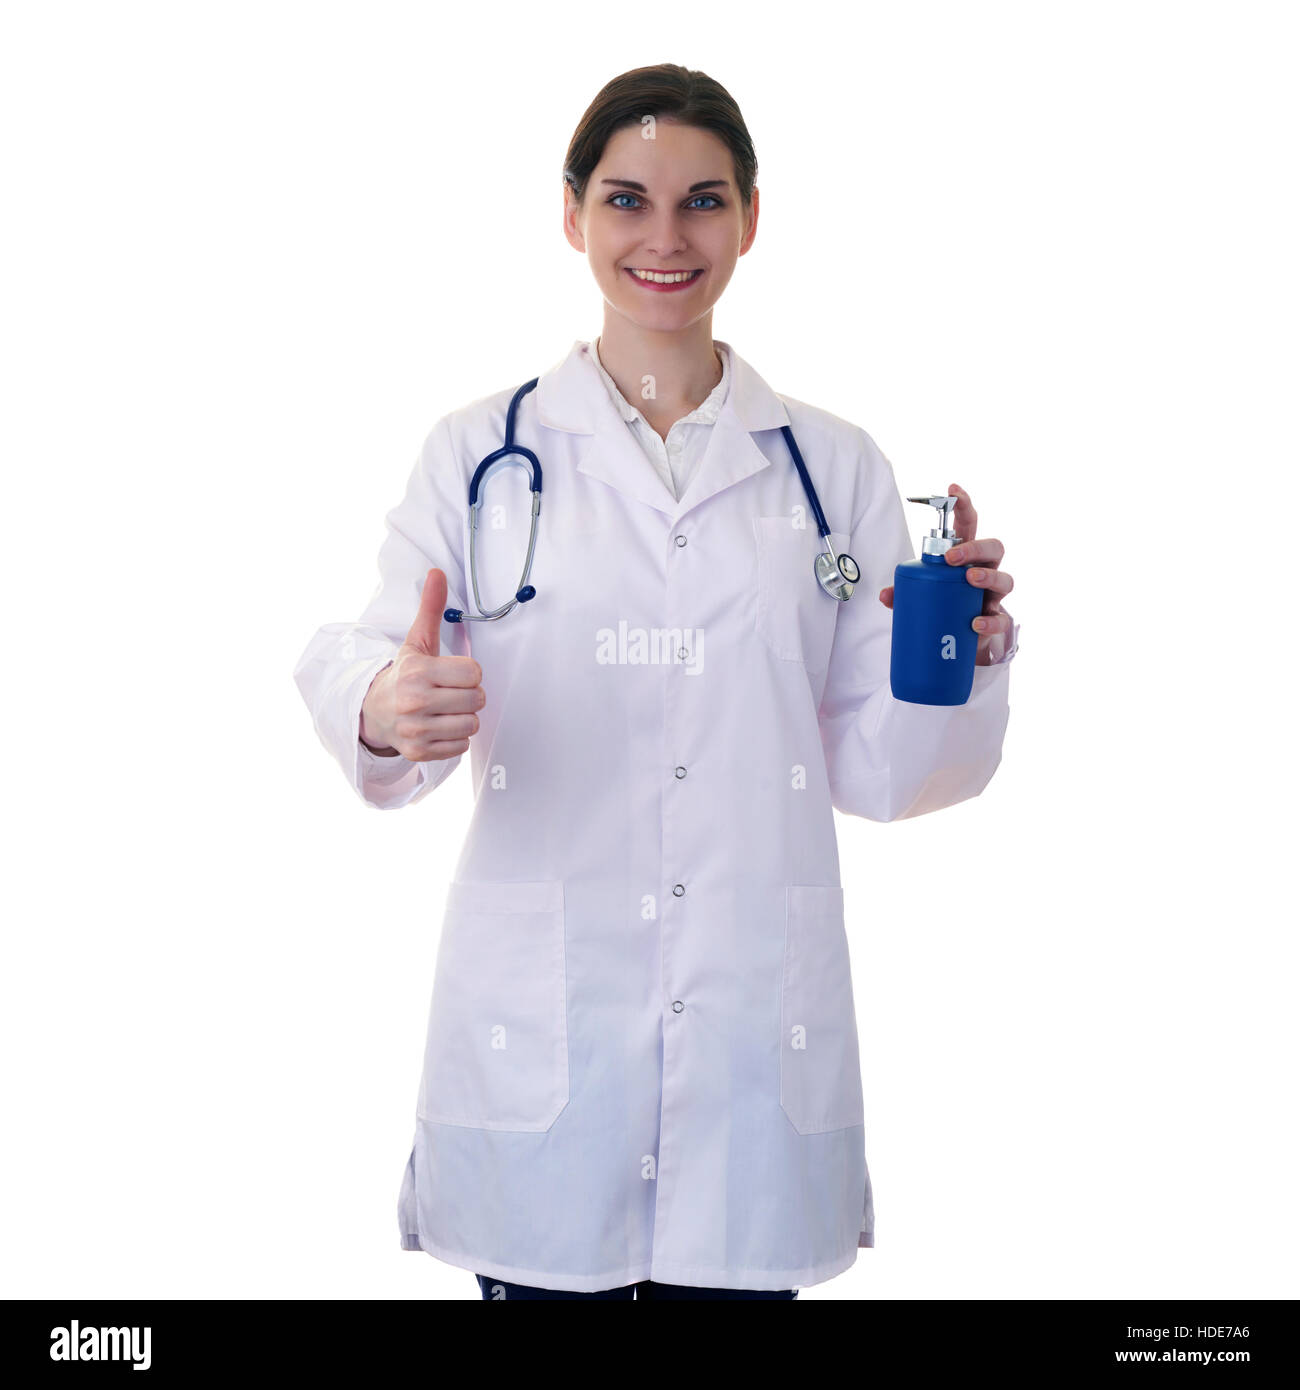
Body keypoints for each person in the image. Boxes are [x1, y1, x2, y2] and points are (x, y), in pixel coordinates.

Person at [293, 63, 1020, 1301]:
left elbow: (876, 769)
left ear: (750, 219)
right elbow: (368, 652)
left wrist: (952, 663)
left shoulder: (830, 470)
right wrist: (382, 701)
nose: (666, 238)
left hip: (749, 1046)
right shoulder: (481, 455)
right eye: (627, 201)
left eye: (703, 201)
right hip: (544, 1047)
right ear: (571, 214)